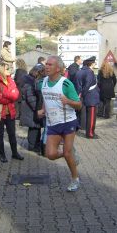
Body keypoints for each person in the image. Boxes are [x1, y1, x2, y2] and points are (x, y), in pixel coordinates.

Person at [37, 56, 82, 192]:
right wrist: (43, 110)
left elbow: (79, 105)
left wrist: (68, 101)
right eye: (46, 64)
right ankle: (70, 153)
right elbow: (46, 97)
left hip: (68, 121)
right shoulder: (43, 82)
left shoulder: (66, 84)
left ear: (58, 69)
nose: (46, 67)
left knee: (67, 154)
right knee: (50, 154)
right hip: (52, 123)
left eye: (50, 65)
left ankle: (75, 179)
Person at [0, 62, 24, 163]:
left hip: (10, 112)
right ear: (1, 70)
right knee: (0, 135)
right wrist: (9, 96)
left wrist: (5, 95)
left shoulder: (11, 80)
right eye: (7, 69)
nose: (9, 70)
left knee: (12, 134)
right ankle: (2, 155)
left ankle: (14, 153)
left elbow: (16, 95)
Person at [20, 65, 45, 153]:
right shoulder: (30, 82)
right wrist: (37, 108)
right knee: (33, 128)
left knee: (36, 128)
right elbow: (30, 98)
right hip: (31, 110)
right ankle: (32, 146)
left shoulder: (30, 79)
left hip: (31, 109)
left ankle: (35, 144)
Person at [75, 57, 100, 139]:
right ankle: (90, 133)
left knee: (88, 115)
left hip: (86, 96)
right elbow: (87, 84)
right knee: (91, 116)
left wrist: (80, 94)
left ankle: (89, 132)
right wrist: (83, 94)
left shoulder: (80, 71)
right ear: (91, 64)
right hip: (91, 96)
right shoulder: (89, 72)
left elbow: (79, 85)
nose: (95, 64)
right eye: (94, 63)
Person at [67, 55, 82, 125]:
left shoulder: (76, 67)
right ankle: (74, 123)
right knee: (74, 108)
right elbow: (75, 79)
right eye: (81, 59)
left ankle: (76, 123)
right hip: (74, 90)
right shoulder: (73, 67)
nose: (81, 61)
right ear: (77, 60)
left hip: (76, 89)